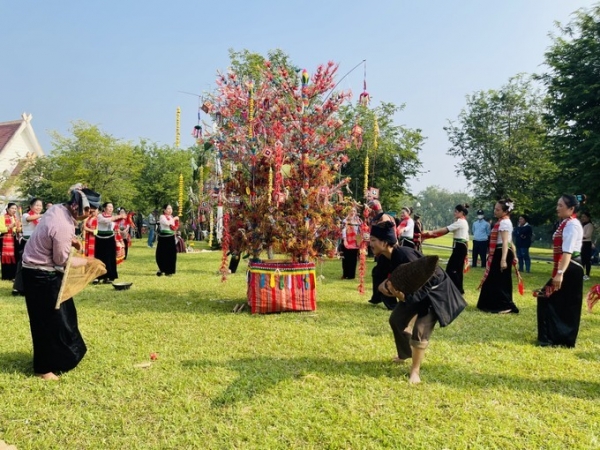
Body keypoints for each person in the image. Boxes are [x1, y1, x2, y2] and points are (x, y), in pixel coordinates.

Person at [369, 221, 464, 384]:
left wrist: (404, 297)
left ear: (384, 243)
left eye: (372, 240)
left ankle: (415, 371)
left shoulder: (406, 256)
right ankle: (404, 354)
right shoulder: (384, 257)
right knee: (396, 320)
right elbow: (379, 276)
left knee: (420, 331)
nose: (370, 244)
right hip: (412, 292)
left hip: (433, 293)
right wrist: (382, 286)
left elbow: (426, 280)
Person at [21, 185, 99, 380]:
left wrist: (71, 240)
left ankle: (60, 358)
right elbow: (62, 261)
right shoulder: (63, 225)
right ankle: (43, 369)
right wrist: (90, 262)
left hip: (40, 272)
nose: (88, 216)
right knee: (48, 321)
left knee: (64, 317)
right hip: (41, 275)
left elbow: (52, 234)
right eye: (89, 212)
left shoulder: (57, 208)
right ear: (77, 207)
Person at [536, 194, 584, 347]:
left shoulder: (572, 225)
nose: (557, 208)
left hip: (570, 267)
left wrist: (560, 273)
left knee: (553, 299)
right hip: (567, 266)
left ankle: (553, 338)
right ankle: (553, 337)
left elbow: (567, 251)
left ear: (571, 209)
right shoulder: (566, 223)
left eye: (560, 206)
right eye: (557, 205)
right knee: (558, 301)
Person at [477, 198, 520, 314]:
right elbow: (511, 242)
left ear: (505, 211)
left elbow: (506, 242)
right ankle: (491, 304)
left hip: (502, 252)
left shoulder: (504, 222)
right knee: (493, 279)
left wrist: (503, 260)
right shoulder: (502, 221)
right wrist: (515, 256)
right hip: (500, 251)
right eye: (495, 209)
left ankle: (505, 305)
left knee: (500, 280)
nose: (495, 211)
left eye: (498, 209)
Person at [421, 204, 470, 294]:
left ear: (461, 213)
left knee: (452, 269)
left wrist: (432, 232)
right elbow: (466, 238)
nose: (454, 213)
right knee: (457, 270)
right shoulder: (463, 222)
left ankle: (453, 289)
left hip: (459, 247)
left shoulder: (460, 222)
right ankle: (458, 290)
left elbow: (446, 229)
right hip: (461, 246)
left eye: (456, 211)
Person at [13, 198, 43, 295]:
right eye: (36, 205)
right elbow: (29, 219)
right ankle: (18, 288)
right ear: (31, 206)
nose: (39, 207)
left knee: (35, 265)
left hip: (37, 243)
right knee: (22, 264)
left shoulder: (42, 218)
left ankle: (30, 287)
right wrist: (43, 215)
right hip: (26, 242)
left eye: (40, 205)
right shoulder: (26, 215)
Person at [95, 202, 125, 283]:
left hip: (110, 239)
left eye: (112, 207)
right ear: (104, 208)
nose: (111, 208)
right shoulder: (100, 216)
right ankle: (98, 276)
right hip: (100, 239)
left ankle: (109, 276)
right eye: (109, 207)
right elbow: (105, 221)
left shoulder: (114, 217)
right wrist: (119, 216)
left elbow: (117, 227)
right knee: (99, 257)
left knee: (110, 258)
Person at [156, 204, 179, 276]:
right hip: (163, 238)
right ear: (164, 210)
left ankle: (169, 271)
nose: (170, 210)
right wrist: (174, 219)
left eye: (171, 208)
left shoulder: (171, 217)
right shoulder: (162, 216)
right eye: (168, 208)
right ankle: (162, 269)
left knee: (171, 255)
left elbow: (175, 226)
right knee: (161, 254)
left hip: (171, 237)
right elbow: (167, 223)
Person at [340, 207, 362, 279]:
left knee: (353, 259)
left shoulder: (357, 221)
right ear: (348, 212)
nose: (352, 212)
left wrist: (359, 243)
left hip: (355, 243)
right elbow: (343, 231)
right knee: (345, 259)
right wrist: (345, 240)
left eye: (354, 211)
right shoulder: (345, 220)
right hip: (347, 241)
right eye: (351, 211)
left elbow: (359, 231)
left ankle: (351, 275)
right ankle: (345, 274)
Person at [1, 203, 21, 281]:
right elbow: (1, 229)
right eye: (12, 208)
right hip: (6, 238)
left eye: (15, 209)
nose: (14, 210)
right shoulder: (2, 217)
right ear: (8, 209)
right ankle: (6, 276)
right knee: (7, 256)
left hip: (14, 239)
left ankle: (14, 275)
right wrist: (10, 226)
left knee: (15, 256)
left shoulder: (16, 218)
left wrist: (18, 229)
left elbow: (18, 230)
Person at [580, 212, 594, 280]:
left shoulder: (590, 225)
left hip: (587, 244)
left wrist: (579, 236)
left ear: (588, 218)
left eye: (584, 217)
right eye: (582, 217)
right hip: (581, 243)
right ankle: (581, 274)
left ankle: (587, 274)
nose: (583, 218)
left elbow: (587, 235)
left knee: (587, 260)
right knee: (581, 260)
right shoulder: (582, 225)